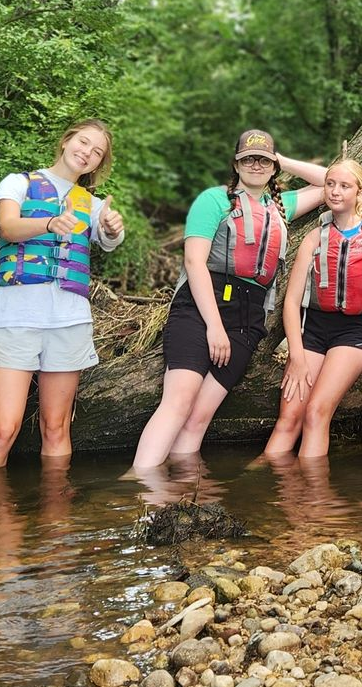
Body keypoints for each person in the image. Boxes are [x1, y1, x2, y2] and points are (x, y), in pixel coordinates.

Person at [131, 130, 327, 468]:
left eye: (263, 159)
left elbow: (331, 181)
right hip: (199, 309)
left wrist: (282, 160)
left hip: (247, 321)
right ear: (235, 164)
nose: (255, 164)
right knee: (179, 402)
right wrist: (214, 327)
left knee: (199, 418)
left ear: (273, 166)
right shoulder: (213, 200)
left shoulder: (281, 206)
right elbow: (194, 261)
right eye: (247, 158)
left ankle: (180, 500)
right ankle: (142, 490)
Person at [0, 119, 126, 469]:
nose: (87, 152)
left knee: (56, 428)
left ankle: (55, 522)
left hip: (69, 321)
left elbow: (111, 240)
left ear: (99, 164)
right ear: (66, 140)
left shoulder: (93, 204)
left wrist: (112, 228)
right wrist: (49, 224)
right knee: (4, 429)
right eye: (83, 142)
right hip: (16, 316)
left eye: (97, 152)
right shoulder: (18, 183)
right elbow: (8, 228)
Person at [263, 158, 362, 458]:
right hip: (316, 331)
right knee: (288, 418)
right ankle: (265, 485)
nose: (334, 191)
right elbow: (292, 302)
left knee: (316, 412)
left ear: (360, 192)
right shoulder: (314, 237)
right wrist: (295, 354)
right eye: (330, 184)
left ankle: (312, 498)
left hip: (358, 330)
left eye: (344, 186)